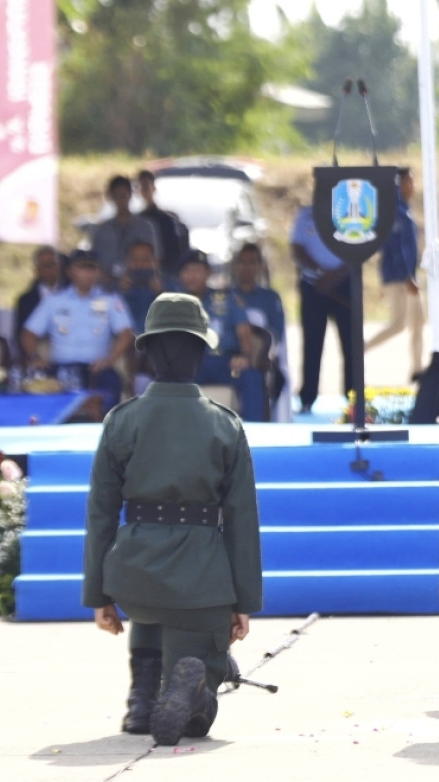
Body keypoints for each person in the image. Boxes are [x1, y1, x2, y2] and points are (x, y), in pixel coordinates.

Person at [82, 293, 262, 746]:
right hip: (202, 581)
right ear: (201, 353)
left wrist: (99, 594)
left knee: (155, 607)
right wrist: (243, 601)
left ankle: (141, 701)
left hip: (134, 578)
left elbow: (101, 512)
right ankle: (196, 685)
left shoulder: (121, 421)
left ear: (148, 352)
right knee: (200, 704)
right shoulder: (224, 425)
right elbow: (241, 521)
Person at [20, 250, 134, 411]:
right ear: (70, 272)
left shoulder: (110, 300)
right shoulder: (54, 301)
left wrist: (109, 359)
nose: (89, 273)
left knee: (111, 390)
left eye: (92, 268)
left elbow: (126, 334)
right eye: (82, 268)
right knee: (38, 397)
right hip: (61, 368)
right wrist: (34, 357)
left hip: (96, 369)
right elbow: (29, 333)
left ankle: (107, 433)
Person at [177, 250, 269, 422]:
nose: (191, 276)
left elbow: (244, 332)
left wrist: (245, 356)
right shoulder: (173, 302)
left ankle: (254, 435)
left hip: (226, 362)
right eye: (187, 270)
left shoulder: (226, 299)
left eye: (197, 270)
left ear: (208, 272)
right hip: (190, 365)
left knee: (252, 376)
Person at [290, 204, 353, 413]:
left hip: (345, 284)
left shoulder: (348, 212)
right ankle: (307, 397)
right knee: (312, 343)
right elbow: (297, 248)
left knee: (351, 344)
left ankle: (353, 399)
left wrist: (335, 275)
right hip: (313, 285)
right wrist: (319, 271)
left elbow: (359, 249)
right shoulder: (307, 215)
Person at [364, 167, 425, 380]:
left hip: (409, 276)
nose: (413, 186)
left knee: (418, 321)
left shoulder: (405, 209)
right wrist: (406, 276)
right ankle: (362, 349)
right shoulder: (395, 211)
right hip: (399, 277)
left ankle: (418, 369)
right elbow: (396, 248)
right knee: (399, 323)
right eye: (409, 181)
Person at [231, 243, 288, 420]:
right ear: (235, 266)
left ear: (260, 266)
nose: (247, 267)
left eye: (252, 262)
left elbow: (277, 334)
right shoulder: (226, 296)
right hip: (231, 358)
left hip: (262, 360)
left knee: (270, 380)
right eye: (243, 262)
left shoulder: (270, 298)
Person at [91, 175, 157, 287]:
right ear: (110, 197)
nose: (121, 200)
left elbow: (156, 259)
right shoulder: (101, 230)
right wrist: (108, 281)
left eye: (123, 195)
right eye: (117, 196)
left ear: (130, 195)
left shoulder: (145, 227)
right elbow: (93, 261)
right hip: (108, 286)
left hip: (141, 284)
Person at [14, 247, 67, 364]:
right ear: (36, 270)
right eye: (44, 265)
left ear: (59, 267)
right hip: (37, 354)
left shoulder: (71, 294)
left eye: (52, 264)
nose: (48, 269)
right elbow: (20, 335)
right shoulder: (25, 300)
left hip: (67, 353)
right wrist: (32, 357)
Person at [136, 170, 191, 278]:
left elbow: (177, 250)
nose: (144, 190)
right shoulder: (137, 220)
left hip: (167, 272)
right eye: (141, 187)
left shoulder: (167, 220)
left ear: (154, 188)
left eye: (146, 186)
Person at [118, 239, 178, 335]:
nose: (140, 264)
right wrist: (120, 292)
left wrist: (161, 292)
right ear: (127, 262)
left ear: (156, 262)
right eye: (135, 260)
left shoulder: (170, 286)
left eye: (145, 260)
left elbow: (179, 315)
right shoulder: (116, 288)